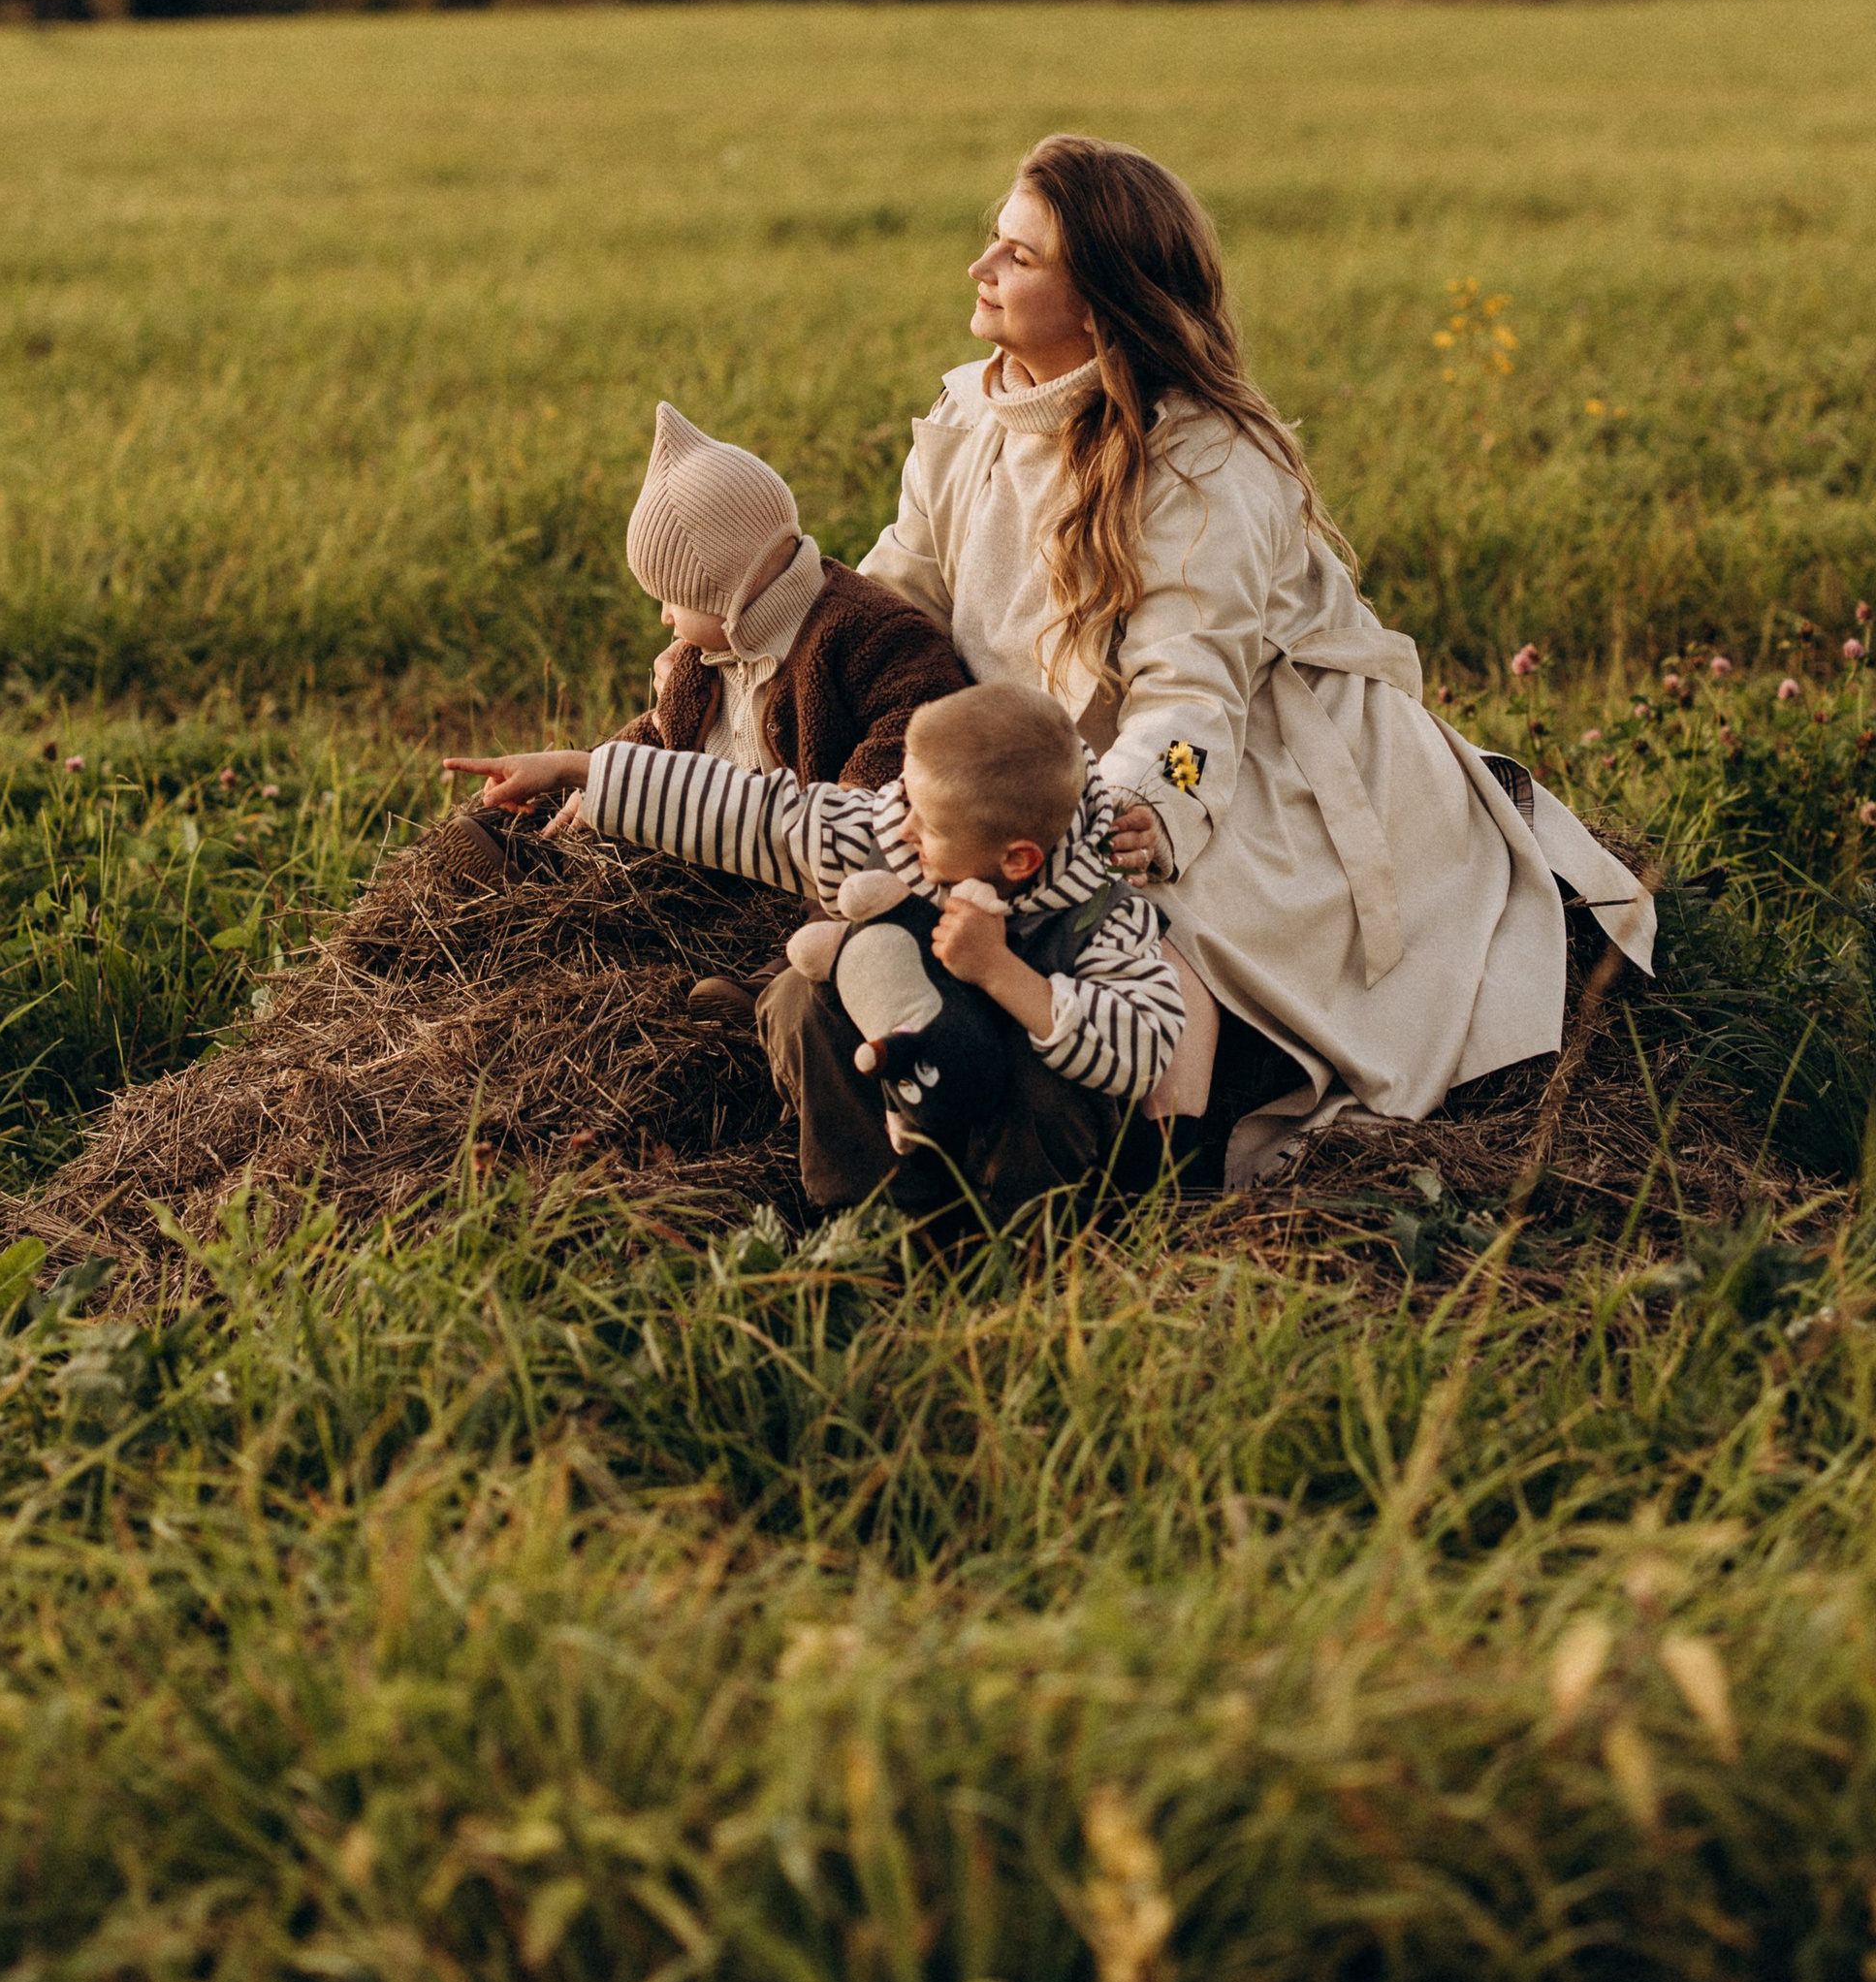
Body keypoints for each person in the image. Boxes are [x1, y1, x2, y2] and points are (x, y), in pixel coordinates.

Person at [857, 135, 1655, 1184]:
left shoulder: (1206, 463)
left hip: (1250, 758)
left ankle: (1160, 1154)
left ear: (1098, 302)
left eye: (1018, 255)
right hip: (1043, 754)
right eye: (992, 243)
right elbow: (893, 595)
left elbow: (1191, 704)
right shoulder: (969, 412)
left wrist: (1147, 808)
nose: (981, 269)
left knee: (1149, 924)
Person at [465, 678, 1184, 1219]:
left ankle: (1010, 1250)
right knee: (800, 996)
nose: (898, 825)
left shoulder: (1102, 913)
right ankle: (872, 1217)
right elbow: (758, 814)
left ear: (1018, 860)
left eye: (922, 824)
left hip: (1020, 1158)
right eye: (901, 797)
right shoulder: (897, 827)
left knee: (1046, 1086)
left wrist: (1000, 972)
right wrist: (581, 768)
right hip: (904, 1088)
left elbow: (1144, 1044)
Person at [442, 402, 966, 875]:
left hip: (805, 862)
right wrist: (582, 776)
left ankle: (771, 974)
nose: (666, 618)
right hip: (714, 843)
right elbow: (659, 737)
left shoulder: (872, 636)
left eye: (673, 599)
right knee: (608, 832)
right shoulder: (707, 658)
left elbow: (908, 734)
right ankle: (533, 850)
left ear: (728, 590)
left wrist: (847, 806)